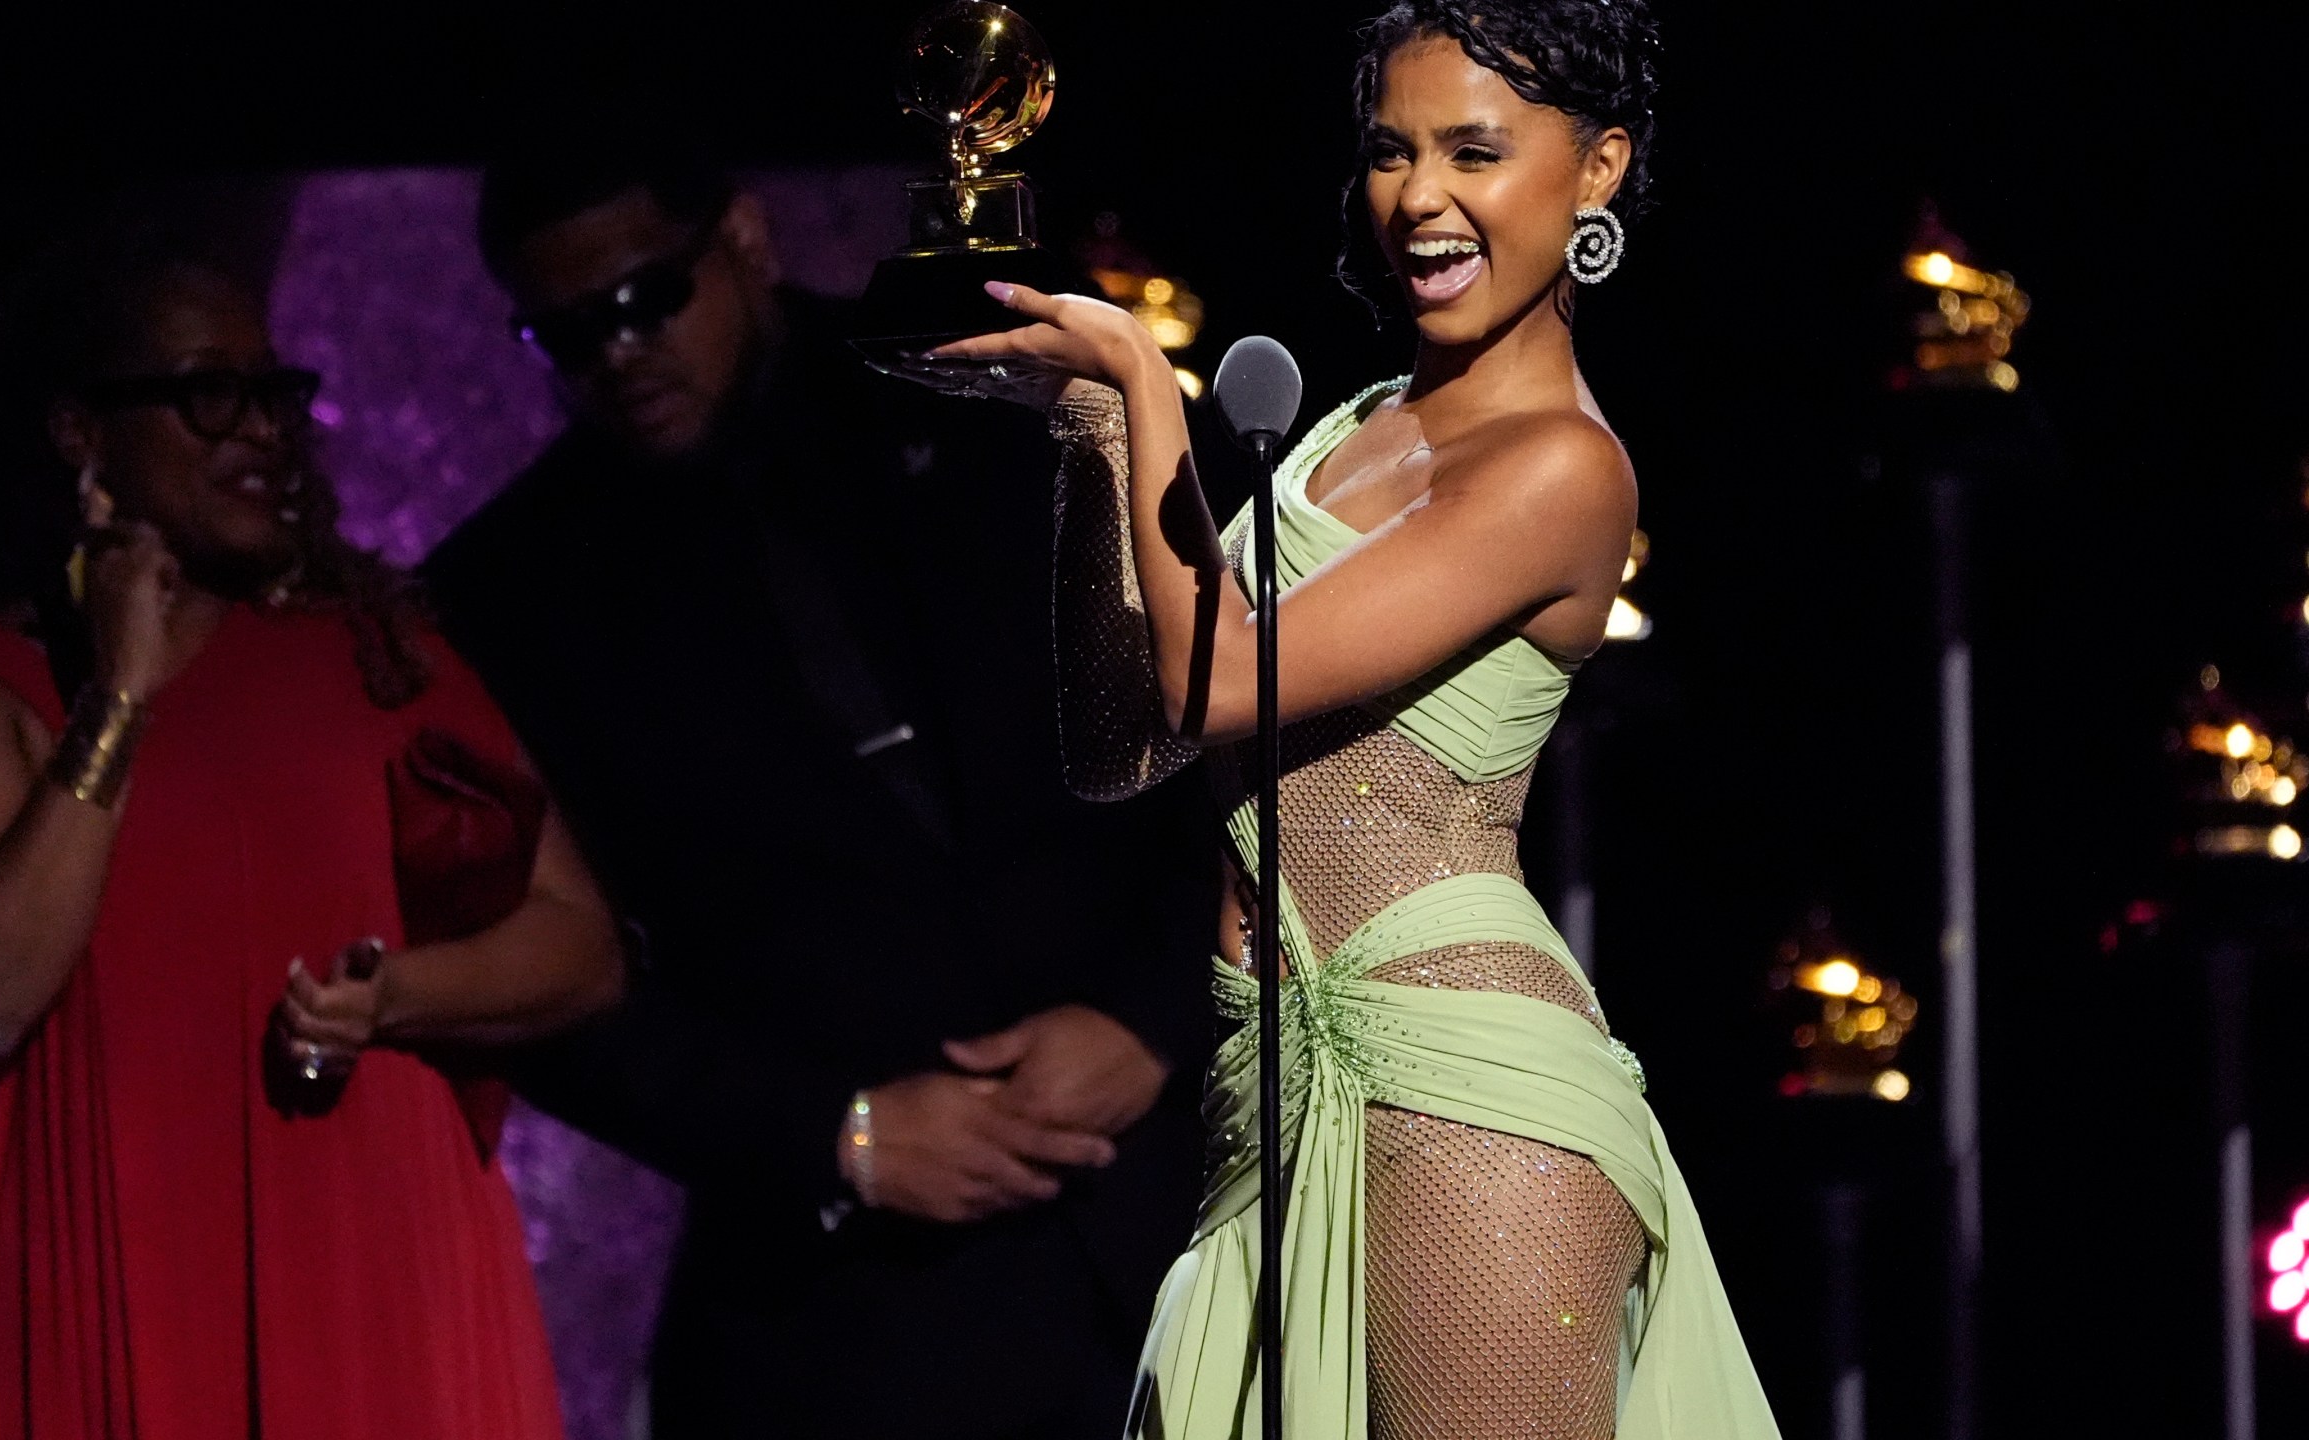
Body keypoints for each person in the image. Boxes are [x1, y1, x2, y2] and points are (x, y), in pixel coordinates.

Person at [919, 2, 1784, 1436]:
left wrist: (1141, 383)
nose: (1421, 199)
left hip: (1461, 1095)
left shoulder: (1562, 469)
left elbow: (1219, 686)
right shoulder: (1353, 426)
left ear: (1599, 169)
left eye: (1475, 152)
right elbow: (1127, 737)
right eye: (1392, 151)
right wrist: (1083, 425)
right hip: (1275, 1087)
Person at [420, 143, 1222, 1439]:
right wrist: (838, 1138)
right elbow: (525, 979)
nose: (615, 354)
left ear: (741, 237)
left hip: (1184, 1231)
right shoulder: (513, 593)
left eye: (641, 301)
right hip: (840, 1326)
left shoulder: (1006, 398)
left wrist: (1152, 1020)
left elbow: (1258, 741)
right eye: (560, 334)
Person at [0, 234, 620, 1440]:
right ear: (82, 433)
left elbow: (581, 947)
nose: (261, 430)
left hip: (360, 1258)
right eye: (210, 393)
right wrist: (119, 695)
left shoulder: (377, 658)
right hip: (93, 1258)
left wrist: (393, 999)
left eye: (273, 393)